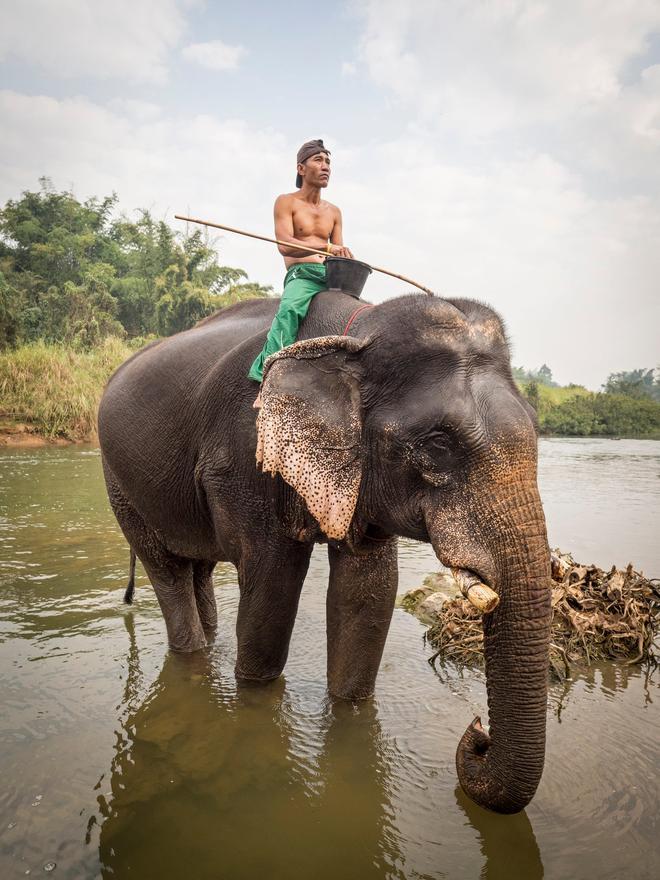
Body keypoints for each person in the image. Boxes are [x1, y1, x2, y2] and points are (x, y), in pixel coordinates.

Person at [248, 139, 354, 395]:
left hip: (330, 275)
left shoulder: (335, 212)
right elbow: (285, 245)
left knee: (357, 314)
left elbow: (336, 253)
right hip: (303, 275)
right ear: (301, 168)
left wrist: (345, 259)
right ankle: (267, 377)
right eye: (318, 160)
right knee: (290, 311)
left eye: (328, 161)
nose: (325, 166)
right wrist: (328, 248)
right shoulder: (286, 202)